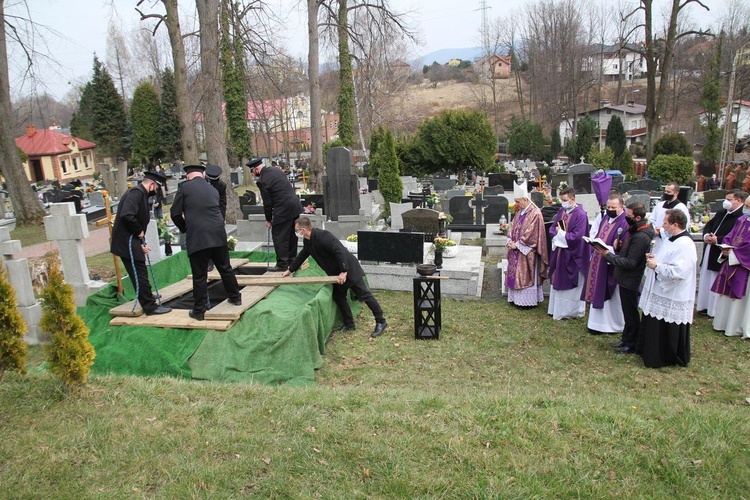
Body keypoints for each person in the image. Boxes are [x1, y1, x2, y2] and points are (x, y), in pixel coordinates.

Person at [282, 216, 388, 337]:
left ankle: (381, 321)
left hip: (349, 269)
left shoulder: (323, 236)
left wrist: (344, 271)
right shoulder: (308, 241)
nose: (296, 233)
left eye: (297, 230)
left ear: (303, 229)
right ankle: (349, 324)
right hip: (336, 273)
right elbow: (303, 254)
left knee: (364, 294)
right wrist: (290, 270)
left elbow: (339, 251)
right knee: (339, 296)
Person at [170, 164, 242, 321]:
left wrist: (186, 229)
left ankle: (199, 310)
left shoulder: (184, 188)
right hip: (218, 234)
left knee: (200, 275)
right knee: (225, 268)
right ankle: (235, 297)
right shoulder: (212, 189)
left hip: (198, 236)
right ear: (202, 175)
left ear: (188, 176)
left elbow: (175, 213)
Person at [639, 209, 696, 368]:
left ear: (675, 225)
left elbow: (679, 271)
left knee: (665, 326)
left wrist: (656, 265)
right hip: (660, 288)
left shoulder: (685, 244)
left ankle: (664, 356)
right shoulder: (672, 240)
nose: (662, 226)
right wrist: (655, 260)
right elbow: (666, 259)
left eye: (665, 223)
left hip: (672, 292)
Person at [110, 171, 172, 315]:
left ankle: (148, 296)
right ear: (151, 185)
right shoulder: (136, 193)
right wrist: (138, 232)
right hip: (126, 243)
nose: (156, 192)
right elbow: (127, 215)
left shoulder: (141, 194)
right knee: (139, 273)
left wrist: (141, 243)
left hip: (132, 241)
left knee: (141, 270)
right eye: (156, 188)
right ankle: (149, 306)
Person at [598, 202, 655, 354]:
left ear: (637, 217)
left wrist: (609, 256)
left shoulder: (641, 236)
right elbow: (629, 253)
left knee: (631, 313)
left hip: (631, 279)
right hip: (625, 278)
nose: (626, 218)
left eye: (629, 216)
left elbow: (631, 262)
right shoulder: (636, 231)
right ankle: (626, 338)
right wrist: (619, 247)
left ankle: (631, 343)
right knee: (627, 311)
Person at [582, 193, 629, 335]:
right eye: (608, 206)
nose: (609, 209)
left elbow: (626, 246)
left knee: (611, 296)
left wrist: (614, 249)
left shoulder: (624, 222)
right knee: (597, 289)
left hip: (612, 264)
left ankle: (612, 325)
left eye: (613, 207)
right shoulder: (606, 218)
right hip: (599, 260)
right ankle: (596, 323)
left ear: (622, 207)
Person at [696, 189, 746, 317]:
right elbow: (709, 225)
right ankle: (704, 305)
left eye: (729, 200)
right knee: (706, 278)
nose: (726, 202)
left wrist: (717, 239)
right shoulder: (722, 212)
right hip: (710, 248)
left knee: (715, 278)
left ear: (738, 201)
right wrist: (707, 235)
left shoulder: (741, 217)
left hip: (721, 250)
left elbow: (737, 237)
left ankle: (713, 310)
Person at [250, 157, 304, 272]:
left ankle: (282, 263)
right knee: (291, 234)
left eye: (253, 172)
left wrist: (268, 219)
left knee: (279, 235)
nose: (254, 175)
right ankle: (292, 260)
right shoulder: (276, 170)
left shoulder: (262, 180)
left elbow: (267, 202)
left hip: (282, 208)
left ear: (256, 170)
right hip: (294, 205)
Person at [547, 187, 590, 320]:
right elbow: (553, 228)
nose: (562, 202)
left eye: (565, 200)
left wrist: (561, 234)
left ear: (573, 199)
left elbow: (577, 237)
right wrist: (557, 234)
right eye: (561, 200)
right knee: (558, 278)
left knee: (570, 285)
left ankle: (571, 311)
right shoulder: (562, 210)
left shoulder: (581, 215)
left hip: (572, 255)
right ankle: (556, 309)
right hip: (560, 252)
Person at [711, 195, 750, 339]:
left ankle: (735, 327)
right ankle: (722, 323)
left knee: (739, 299)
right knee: (726, 295)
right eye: (745, 206)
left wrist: (733, 253)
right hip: (731, 260)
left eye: (747, 207)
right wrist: (725, 247)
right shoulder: (741, 220)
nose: (745, 209)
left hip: (743, 266)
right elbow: (730, 236)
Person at [506, 181, 549, 307]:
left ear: (525, 199)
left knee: (525, 275)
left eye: (518, 201)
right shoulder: (520, 211)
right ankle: (515, 299)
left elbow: (532, 233)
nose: (516, 204)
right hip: (515, 248)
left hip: (527, 251)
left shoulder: (535, 213)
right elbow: (512, 226)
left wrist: (518, 244)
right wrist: (509, 240)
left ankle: (527, 302)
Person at [650, 181, 690, 252]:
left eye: (669, 192)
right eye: (665, 191)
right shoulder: (660, 205)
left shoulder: (681, 207)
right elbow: (651, 220)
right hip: (656, 240)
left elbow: (683, 226)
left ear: (676, 193)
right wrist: (654, 229)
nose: (666, 194)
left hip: (670, 240)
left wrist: (661, 232)